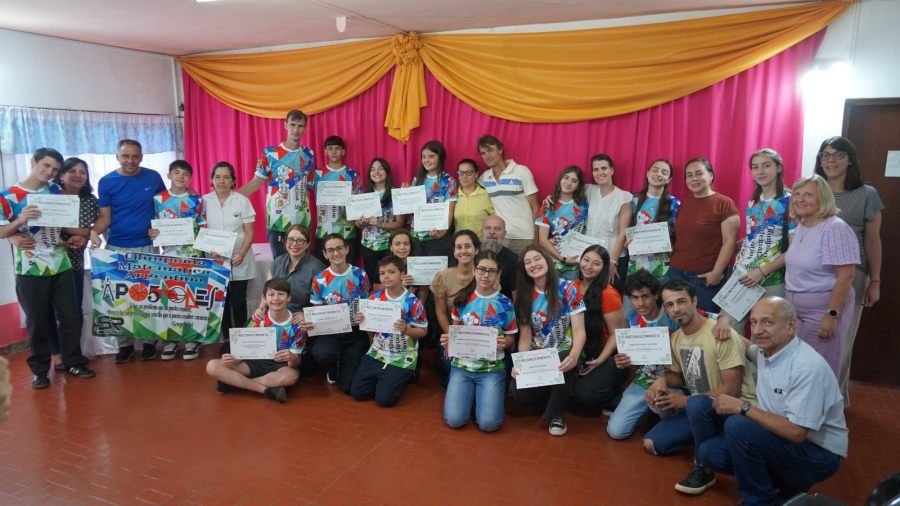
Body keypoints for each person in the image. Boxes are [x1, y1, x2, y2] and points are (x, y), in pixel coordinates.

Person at [687, 297, 847, 504]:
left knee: (738, 425)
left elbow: (797, 432)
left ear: (790, 326)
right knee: (709, 451)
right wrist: (722, 324)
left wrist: (742, 406)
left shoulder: (807, 367)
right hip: (778, 437)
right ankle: (784, 487)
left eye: (767, 322)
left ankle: (761, 500)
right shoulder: (767, 351)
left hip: (818, 453)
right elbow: (747, 346)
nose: (757, 330)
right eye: (753, 322)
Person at [0, 148, 94, 388]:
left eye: (54, 169)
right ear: (33, 162)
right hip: (30, 268)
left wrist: (85, 234)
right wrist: (20, 221)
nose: (50, 172)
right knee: (37, 320)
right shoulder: (9, 195)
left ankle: (72, 361)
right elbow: (2, 231)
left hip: (60, 263)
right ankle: (40, 370)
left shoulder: (55, 191)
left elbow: (65, 225)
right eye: (46, 166)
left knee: (70, 316)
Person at [642, 279, 756, 458]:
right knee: (651, 443)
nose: (676, 309)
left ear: (694, 301)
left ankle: (707, 456)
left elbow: (732, 390)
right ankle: (711, 437)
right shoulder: (676, 339)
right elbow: (679, 377)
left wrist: (685, 401)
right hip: (700, 409)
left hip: (733, 409)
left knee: (712, 449)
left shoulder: (720, 333)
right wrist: (661, 381)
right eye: (670, 305)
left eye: (681, 301)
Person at [814, 136, 883, 402]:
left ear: (850, 160)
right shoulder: (811, 190)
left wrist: (875, 281)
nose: (830, 160)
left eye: (838, 155)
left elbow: (873, 239)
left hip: (850, 275)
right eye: (825, 155)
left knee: (840, 339)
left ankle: (834, 400)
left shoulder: (867, 194)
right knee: (810, 335)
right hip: (811, 274)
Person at [94, 139, 167, 362]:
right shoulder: (107, 182)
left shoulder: (153, 177)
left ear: (142, 157)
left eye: (135, 156)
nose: (130, 161)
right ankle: (124, 346)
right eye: (126, 156)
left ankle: (148, 343)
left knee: (148, 297)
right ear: (117, 156)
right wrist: (93, 232)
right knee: (119, 301)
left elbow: (165, 208)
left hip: (148, 246)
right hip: (116, 247)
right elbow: (104, 217)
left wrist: (163, 228)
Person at [784, 175, 858, 378]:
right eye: (797, 194)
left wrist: (831, 315)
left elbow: (846, 276)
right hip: (796, 310)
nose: (800, 199)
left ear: (822, 199)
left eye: (808, 194)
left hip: (822, 310)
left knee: (817, 370)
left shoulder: (835, 228)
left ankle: (822, 410)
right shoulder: (802, 226)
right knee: (797, 368)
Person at [510, 245, 585, 436]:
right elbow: (526, 337)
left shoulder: (569, 288)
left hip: (566, 351)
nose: (534, 264)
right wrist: (520, 363)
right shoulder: (525, 294)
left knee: (565, 362)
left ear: (547, 261)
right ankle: (556, 397)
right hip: (539, 356)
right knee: (516, 391)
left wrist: (575, 355)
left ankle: (555, 415)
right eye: (528, 262)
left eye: (537, 259)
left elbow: (579, 330)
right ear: (524, 269)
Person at [441, 251, 517, 432]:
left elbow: (511, 337)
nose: (486, 275)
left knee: (489, 425)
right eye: (482, 269)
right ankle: (471, 397)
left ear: (498, 274)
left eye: (491, 271)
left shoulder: (505, 303)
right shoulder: (461, 299)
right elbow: (456, 330)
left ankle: (479, 398)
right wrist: (449, 341)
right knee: (454, 420)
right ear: (475, 271)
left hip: (492, 369)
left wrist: (503, 343)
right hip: (462, 367)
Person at [607, 270, 679, 440]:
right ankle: (649, 412)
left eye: (645, 296)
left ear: (656, 295)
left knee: (669, 421)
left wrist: (723, 321)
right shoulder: (631, 320)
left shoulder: (672, 315)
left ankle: (664, 418)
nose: (641, 303)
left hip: (673, 381)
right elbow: (636, 362)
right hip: (643, 380)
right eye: (635, 298)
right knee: (616, 432)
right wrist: (625, 362)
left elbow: (707, 318)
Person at [205, 278, 303, 403]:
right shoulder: (257, 319)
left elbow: (295, 364)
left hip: (279, 366)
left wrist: (292, 358)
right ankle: (263, 389)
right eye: (271, 294)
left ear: (289, 298)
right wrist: (235, 359)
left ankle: (235, 384)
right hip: (253, 362)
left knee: (292, 376)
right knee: (212, 366)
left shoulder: (297, 325)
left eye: (281, 294)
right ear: (265, 298)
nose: (276, 298)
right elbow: (242, 349)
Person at [351, 256, 428, 407]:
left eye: (391, 272)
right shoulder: (374, 298)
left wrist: (406, 330)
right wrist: (361, 320)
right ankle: (385, 377)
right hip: (378, 352)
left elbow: (423, 331)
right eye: (382, 273)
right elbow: (369, 327)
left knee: (384, 400)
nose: (386, 276)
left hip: (403, 354)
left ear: (401, 274)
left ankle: (405, 375)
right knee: (358, 392)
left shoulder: (413, 302)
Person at [148, 160, 206, 361]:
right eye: (177, 173)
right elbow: (153, 225)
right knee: (170, 299)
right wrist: (153, 232)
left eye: (185, 174)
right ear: (169, 174)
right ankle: (171, 340)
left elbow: (202, 225)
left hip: (193, 255)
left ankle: (192, 339)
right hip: (169, 256)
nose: (181, 177)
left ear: (190, 178)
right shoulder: (158, 199)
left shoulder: (196, 199)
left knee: (191, 298)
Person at [46, 157, 100, 371]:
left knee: (73, 311)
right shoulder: (50, 196)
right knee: (48, 310)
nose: (78, 175)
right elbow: (51, 226)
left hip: (74, 262)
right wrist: (86, 233)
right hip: (47, 262)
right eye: (73, 171)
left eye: (83, 172)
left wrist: (84, 237)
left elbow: (94, 227)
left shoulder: (90, 201)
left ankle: (73, 353)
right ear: (61, 175)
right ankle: (56, 353)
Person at [237, 109, 315, 258]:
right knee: (280, 271)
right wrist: (230, 198)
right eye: (292, 124)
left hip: (302, 222)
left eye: (300, 126)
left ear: (305, 128)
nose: (296, 130)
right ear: (285, 125)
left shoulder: (309, 155)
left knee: (301, 271)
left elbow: (309, 187)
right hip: (277, 222)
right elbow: (255, 183)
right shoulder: (270, 153)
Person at [668, 157, 740, 313]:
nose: (694, 178)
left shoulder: (724, 203)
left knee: (706, 325)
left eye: (699, 173)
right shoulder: (686, 203)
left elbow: (729, 242)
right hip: (676, 273)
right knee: (677, 322)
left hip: (704, 277)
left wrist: (717, 272)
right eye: (689, 175)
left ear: (711, 175)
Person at [304, 233, 371, 393]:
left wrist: (363, 315)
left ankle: (346, 362)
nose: (336, 253)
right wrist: (311, 321)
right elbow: (316, 310)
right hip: (331, 332)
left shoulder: (360, 275)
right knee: (323, 353)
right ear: (325, 254)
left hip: (355, 332)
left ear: (347, 249)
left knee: (347, 386)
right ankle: (333, 364)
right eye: (331, 250)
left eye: (339, 248)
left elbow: (367, 304)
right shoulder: (319, 279)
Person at [203, 162, 256, 352]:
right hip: (215, 260)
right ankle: (226, 338)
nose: (221, 181)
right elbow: (200, 229)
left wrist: (241, 253)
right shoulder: (204, 201)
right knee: (222, 302)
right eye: (217, 177)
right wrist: (208, 249)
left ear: (233, 180)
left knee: (239, 301)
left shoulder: (242, 201)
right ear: (212, 179)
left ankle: (240, 338)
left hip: (239, 258)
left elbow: (250, 232)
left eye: (226, 177)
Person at [571, 245, 627, 411]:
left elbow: (616, 334)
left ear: (604, 268)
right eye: (586, 260)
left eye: (596, 263)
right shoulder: (571, 287)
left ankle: (617, 394)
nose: (589, 266)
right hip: (580, 350)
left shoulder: (608, 294)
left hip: (606, 354)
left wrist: (599, 361)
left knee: (585, 394)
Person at [430, 230, 489, 383]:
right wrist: (455, 338)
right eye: (459, 247)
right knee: (448, 361)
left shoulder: (487, 275)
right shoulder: (442, 277)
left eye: (468, 246)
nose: (463, 251)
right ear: (454, 251)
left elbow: (491, 310)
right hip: (452, 333)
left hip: (481, 336)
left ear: (476, 249)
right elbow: (441, 312)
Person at [477, 135, 539, 257]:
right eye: (483, 153)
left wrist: (537, 239)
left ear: (500, 149)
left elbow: (535, 206)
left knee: (524, 275)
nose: (487, 156)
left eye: (490, 150)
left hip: (524, 237)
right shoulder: (484, 178)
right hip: (500, 239)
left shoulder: (521, 171)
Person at [583, 154, 633, 291]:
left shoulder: (624, 197)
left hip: (613, 256)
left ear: (612, 170)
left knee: (609, 298)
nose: (600, 173)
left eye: (604, 168)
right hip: (588, 256)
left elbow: (623, 233)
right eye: (596, 169)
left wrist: (612, 262)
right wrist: (550, 198)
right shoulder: (587, 190)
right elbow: (565, 193)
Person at [627, 159, 680, 281]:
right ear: (647, 173)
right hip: (635, 261)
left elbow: (677, 233)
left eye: (664, 172)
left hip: (661, 263)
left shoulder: (675, 203)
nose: (658, 174)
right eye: (655, 170)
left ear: (669, 179)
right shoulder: (632, 199)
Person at [313, 136, 363, 264]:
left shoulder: (353, 174)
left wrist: (352, 197)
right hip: (324, 231)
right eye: (330, 148)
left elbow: (359, 204)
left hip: (347, 232)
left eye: (337, 148)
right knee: (324, 273)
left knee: (347, 271)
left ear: (343, 151)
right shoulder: (317, 174)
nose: (334, 151)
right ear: (325, 152)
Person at [535, 166, 588, 280]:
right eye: (566, 178)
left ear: (578, 185)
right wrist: (562, 258)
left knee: (571, 296)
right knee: (552, 296)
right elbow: (542, 240)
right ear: (560, 179)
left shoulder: (584, 205)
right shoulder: (547, 205)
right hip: (552, 262)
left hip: (574, 264)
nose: (569, 183)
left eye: (574, 181)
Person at [356, 158, 404, 285]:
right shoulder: (363, 194)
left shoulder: (396, 193)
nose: (376, 172)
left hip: (389, 246)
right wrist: (362, 223)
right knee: (374, 282)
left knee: (391, 281)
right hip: (368, 246)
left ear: (387, 172)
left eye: (380, 168)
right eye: (372, 169)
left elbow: (400, 223)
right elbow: (357, 224)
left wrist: (380, 223)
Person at [259, 224, 324, 314]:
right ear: (285, 242)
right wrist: (261, 307)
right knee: (249, 325)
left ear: (308, 244)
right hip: (275, 313)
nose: (294, 244)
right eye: (290, 239)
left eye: (300, 240)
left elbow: (321, 304)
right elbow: (266, 292)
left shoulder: (317, 268)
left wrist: (306, 315)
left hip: (300, 318)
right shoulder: (277, 262)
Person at [410, 140, 457, 256]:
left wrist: (443, 232)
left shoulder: (449, 180)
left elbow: (450, 210)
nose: (426, 160)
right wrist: (405, 193)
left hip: (437, 236)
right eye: (424, 157)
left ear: (440, 158)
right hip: (416, 236)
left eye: (431, 156)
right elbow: (410, 207)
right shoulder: (417, 179)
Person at [453, 158, 494, 239]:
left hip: (481, 244)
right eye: (461, 173)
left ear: (476, 174)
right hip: (460, 245)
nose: (464, 176)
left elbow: (494, 220)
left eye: (469, 173)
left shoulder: (486, 194)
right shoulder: (453, 195)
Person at [481, 215, 518, 300]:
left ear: (504, 234)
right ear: (481, 232)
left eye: (497, 229)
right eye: (487, 228)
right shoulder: (473, 255)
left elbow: (516, 295)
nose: (492, 232)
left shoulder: (513, 259)